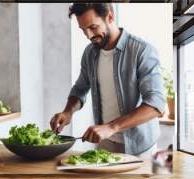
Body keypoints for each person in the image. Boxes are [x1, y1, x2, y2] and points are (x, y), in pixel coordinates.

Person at [50, 3, 166, 157]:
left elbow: (156, 105)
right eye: (83, 30)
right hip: (105, 145)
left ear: (110, 17)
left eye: (93, 27)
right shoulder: (89, 53)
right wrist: (67, 112)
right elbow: (80, 88)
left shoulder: (142, 51)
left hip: (141, 150)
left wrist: (111, 127)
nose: (89, 35)